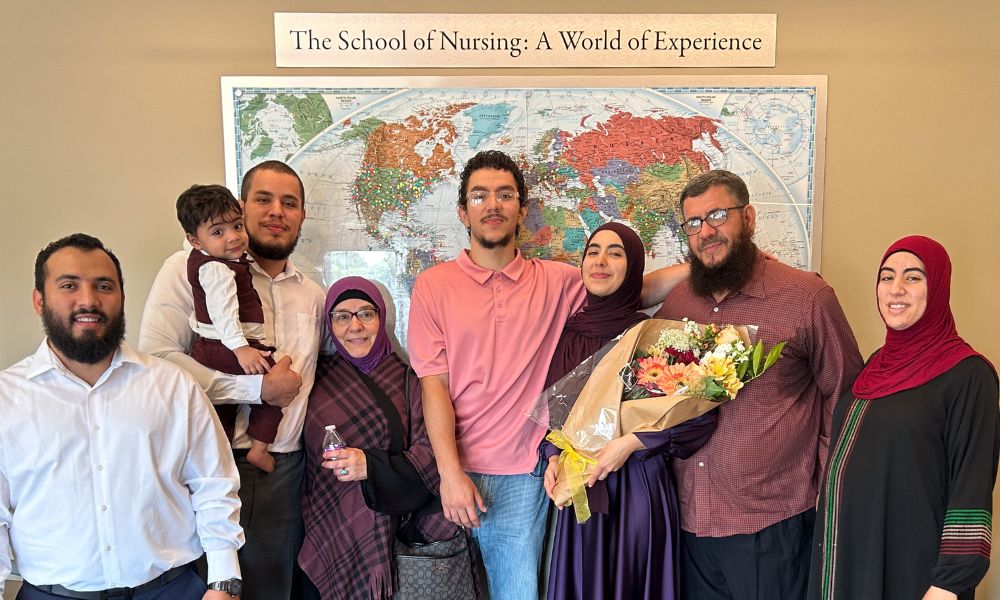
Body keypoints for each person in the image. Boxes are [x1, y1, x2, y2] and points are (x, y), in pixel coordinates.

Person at [408, 150, 692, 599]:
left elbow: (628, 286)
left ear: (522, 209)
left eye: (505, 195)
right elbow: (433, 385)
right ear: (463, 210)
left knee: (516, 594)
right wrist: (449, 473)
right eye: (480, 195)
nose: (493, 205)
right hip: (450, 470)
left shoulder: (558, 280)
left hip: (524, 475)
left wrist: (710, 261)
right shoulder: (433, 285)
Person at [650, 169, 863, 600]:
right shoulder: (678, 303)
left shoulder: (806, 296)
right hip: (688, 520)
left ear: (747, 217)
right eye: (693, 223)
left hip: (772, 523)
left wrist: (823, 487)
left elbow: (845, 395)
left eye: (717, 215)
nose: (705, 231)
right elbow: (656, 396)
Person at [0, 233, 244, 600]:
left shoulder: (174, 386)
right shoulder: (7, 397)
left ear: (122, 298)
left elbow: (214, 484)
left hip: (172, 590)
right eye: (69, 285)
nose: (88, 300)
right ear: (40, 300)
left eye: (104, 286)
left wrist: (224, 583)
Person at [139, 161, 326, 600]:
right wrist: (254, 390)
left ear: (301, 216)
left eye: (289, 203)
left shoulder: (314, 295)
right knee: (208, 588)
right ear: (242, 207)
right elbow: (158, 360)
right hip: (205, 465)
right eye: (263, 199)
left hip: (283, 470)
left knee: (273, 589)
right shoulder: (189, 270)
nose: (276, 211)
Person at [808, 235, 999, 600]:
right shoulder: (874, 366)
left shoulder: (967, 375)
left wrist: (949, 584)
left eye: (913, 277)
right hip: (846, 562)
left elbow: (971, 489)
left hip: (912, 570)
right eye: (886, 277)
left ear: (939, 287)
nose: (896, 289)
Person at [541, 222, 717, 600]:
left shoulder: (653, 336)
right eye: (593, 252)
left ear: (634, 267)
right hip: (581, 487)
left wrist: (632, 443)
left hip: (636, 489)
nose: (601, 261)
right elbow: (556, 417)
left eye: (615, 253)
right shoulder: (571, 333)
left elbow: (698, 419)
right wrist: (553, 457)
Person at [298, 276, 461, 600]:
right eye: (342, 316)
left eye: (366, 313)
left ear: (382, 317)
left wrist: (370, 466)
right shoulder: (314, 378)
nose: (355, 326)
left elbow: (432, 452)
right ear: (330, 323)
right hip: (328, 530)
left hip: (395, 534)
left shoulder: (410, 381)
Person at [176, 184, 281, 473]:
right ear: (194, 241)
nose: (233, 237)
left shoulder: (219, 261)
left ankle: (215, 453)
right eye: (218, 232)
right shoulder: (217, 269)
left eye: (236, 225)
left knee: (218, 408)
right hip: (230, 346)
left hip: (212, 347)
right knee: (279, 383)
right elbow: (224, 312)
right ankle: (260, 448)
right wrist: (241, 349)